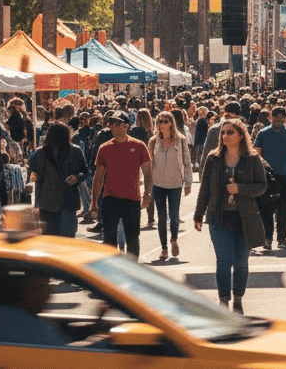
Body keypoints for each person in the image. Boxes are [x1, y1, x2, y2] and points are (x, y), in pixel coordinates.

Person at [194, 118, 266, 313]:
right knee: (224, 261)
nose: (225, 136)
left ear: (241, 135)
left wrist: (240, 188)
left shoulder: (252, 159)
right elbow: (205, 188)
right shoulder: (213, 158)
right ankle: (224, 300)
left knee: (241, 263)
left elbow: (261, 186)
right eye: (223, 132)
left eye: (230, 132)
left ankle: (238, 298)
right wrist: (198, 214)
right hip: (219, 217)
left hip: (245, 217)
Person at [90, 109, 153, 257]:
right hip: (110, 200)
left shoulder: (139, 146)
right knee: (109, 241)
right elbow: (98, 177)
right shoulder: (104, 148)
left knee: (132, 239)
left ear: (126, 126)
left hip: (132, 200)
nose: (113, 127)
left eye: (117, 124)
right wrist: (94, 202)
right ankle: (112, 275)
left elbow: (148, 173)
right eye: (111, 124)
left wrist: (148, 194)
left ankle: (132, 272)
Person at [253, 107, 286, 250]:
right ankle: (269, 239)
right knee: (268, 209)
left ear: (285, 119)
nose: (279, 122)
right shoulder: (263, 133)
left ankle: (279, 238)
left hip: (284, 175)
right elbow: (257, 155)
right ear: (271, 118)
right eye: (276, 120)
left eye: (281, 120)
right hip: (268, 176)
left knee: (283, 209)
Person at [29, 121, 87, 237]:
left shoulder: (74, 151)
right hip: (56, 203)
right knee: (65, 241)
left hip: (54, 203)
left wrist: (77, 177)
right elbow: (85, 172)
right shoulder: (41, 153)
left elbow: (84, 172)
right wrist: (78, 177)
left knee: (52, 242)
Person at [149, 111, 193, 261]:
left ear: (171, 123)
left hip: (175, 183)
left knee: (174, 217)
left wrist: (188, 182)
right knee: (161, 217)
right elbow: (148, 164)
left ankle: (174, 239)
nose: (162, 124)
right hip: (158, 184)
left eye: (165, 121)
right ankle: (164, 248)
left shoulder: (180, 140)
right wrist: (146, 185)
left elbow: (187, 162)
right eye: (160, 121)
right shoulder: (153, 141)